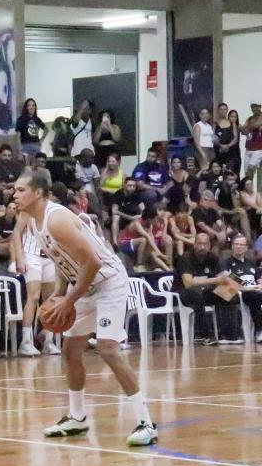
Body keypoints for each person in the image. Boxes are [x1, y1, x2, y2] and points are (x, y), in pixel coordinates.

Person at [12, 173, 157, 445]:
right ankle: (77, 418)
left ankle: (146, 423)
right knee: (70, 350)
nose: (15, 195)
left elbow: (91, 263)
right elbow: (61, 260)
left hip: (108, 282)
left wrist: (68, 301)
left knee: (107, 348)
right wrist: (58, 292)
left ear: (39, 193)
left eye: (21, 190)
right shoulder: (34, 223)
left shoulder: (57, 220)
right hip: (85, 286)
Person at [171, 232, 242, 344]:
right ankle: (205, 335)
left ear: (209, 246)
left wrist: (239, 284)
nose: (202, 247)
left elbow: (224, 276)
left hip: (203, 291)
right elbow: (188, 283)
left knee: (230, 291)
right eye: (199, 244)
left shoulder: (213, 257)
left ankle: (229, 334)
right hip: (182, 293)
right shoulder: (185, 258)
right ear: (194, 244)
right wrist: (215, 280)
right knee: (196, 296)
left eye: (205, 244)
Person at [10, 207, 59, 357]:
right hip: (31, 255)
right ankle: (25, 342)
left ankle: (48, 341)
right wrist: (19, 258)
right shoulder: (27, 210)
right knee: (34, 296)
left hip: (49, 255)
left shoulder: (53, 211)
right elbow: (16, 233)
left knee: (50, 299)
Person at [222, 235, 262, 343]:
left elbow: (259, 279)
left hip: (256, 290)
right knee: (254, 296)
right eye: (236, 244)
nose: (239, 247)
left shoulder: (251, 262)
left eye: (241, 244)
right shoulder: (226, 263)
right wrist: (247, 287)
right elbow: (226, 279)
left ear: (246, 247)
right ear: (232, 246)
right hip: (242, 293)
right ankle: (259, 331)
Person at [241, 101, 262, 179]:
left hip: (259, 148)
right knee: (246, 173)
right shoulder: (249, 118)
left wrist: (249, 127)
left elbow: (254, 125)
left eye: (257, 106)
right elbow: (243, 130)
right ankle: (248, 188)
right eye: (253, 106)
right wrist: (246, 128)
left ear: (260, 107)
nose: (255, 108)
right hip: (249, 148)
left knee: (251, 167)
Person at [214, 102, 240, 172]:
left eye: (224, 109)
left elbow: (235, 138)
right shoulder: (215, 123)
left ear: (227, 110)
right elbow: (213, 138)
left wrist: (227, 146)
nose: (223, 111)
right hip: (219, 153)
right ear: (218, 111)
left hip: (231, 154)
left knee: (229, 172)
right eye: (221, 109)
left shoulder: (232, 123)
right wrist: (220, 146)